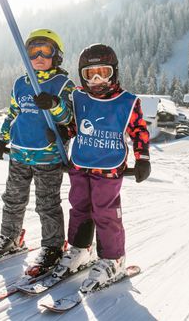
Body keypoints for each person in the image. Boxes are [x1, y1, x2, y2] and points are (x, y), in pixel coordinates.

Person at [40, 43, 151, 291]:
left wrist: (142, 158)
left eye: (104, 72)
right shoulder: (79, 97)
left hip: (109, 169)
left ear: (114, 72)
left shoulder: (127, 102)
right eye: (91, 74)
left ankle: (114, 259)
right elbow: (73, 126)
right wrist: (60, 133)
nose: (98, 79)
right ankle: (80, 249)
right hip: (80, 164)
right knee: (79, 207)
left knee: (105, 212)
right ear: (82, 75)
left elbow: (139, 131)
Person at [0, 29, 75, 277]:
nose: (40, 56)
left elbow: (69, 120)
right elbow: (13, 114)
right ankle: (11, 237)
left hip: (49, 157)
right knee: (12, 200)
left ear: (57, 55)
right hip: (20, 154)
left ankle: (53, 246)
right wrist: (3, 139)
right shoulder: (20, 83)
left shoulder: (63, 84)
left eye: (46, 51)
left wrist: (54, 105)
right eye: (34, 51)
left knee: (47, 205)